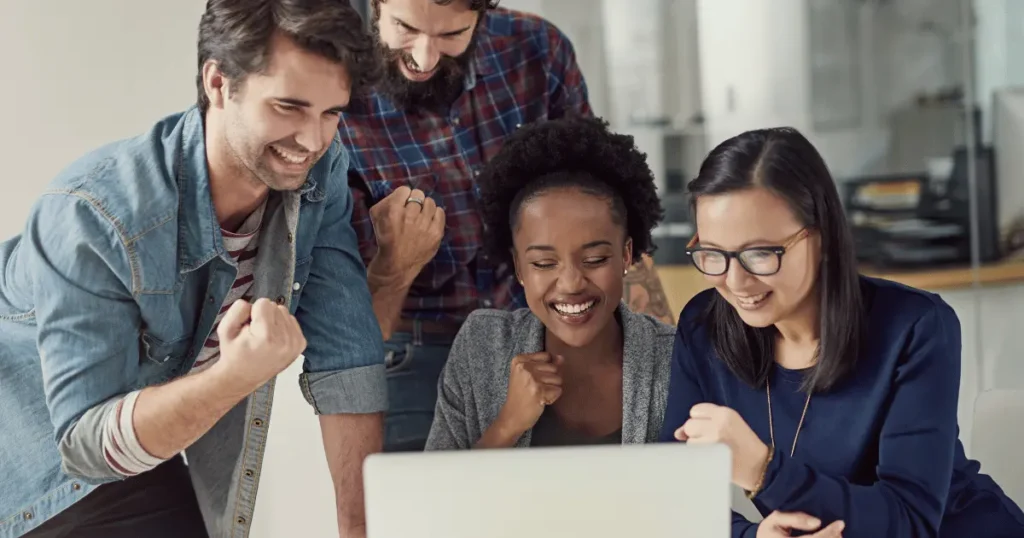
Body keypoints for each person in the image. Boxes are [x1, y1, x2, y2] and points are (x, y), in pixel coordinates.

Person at [0, 1, 387, 536]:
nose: (313, 140)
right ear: (219, 83)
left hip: (138, 449)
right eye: (289, 107)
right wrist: (234, 377)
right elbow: (88, 444)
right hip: (30, 460)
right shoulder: (94, 215)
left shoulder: (320, 171)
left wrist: (358, 528)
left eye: (331, 112)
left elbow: (347, 357)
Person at [339, 0, 675, 453]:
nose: (425, 57)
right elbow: (350, 326)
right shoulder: (336, 91)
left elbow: (603, 196)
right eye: (405, 27)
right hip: (412, 349)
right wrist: (394, 265)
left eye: (451, 36)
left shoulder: (537, 50)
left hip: (546, 338)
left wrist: (657, 357)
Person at [659, 127, 1024, 538]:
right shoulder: (703, 327)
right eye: (713, 254)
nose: (735, 281)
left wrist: (764, 471)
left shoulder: (916, 327)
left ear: (822, 237)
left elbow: (911, 521)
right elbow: (675, 488)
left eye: (760, 253)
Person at [424, 117, 675, 450]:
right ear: (519, 267)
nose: (571, 283)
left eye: (595, 260)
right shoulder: (482, 346)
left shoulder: (674, 356)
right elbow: (441, 497)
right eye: (544, 263)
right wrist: (507, 425)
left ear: (626, 255)